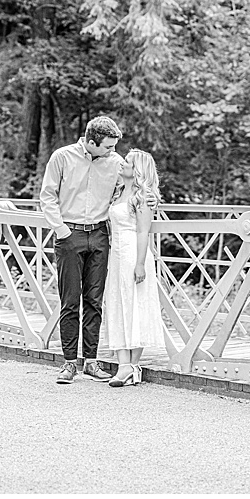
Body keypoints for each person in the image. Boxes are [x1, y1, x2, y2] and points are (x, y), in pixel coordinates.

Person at [39, 116, 126, 384]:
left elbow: (126, 192)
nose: (113, 151)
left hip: (99, 235)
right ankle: (68, 363)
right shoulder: (62, 157)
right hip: (69, 234)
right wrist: (62, 230)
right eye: (108, 146)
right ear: (90, 142)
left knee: (94, 300)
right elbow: (47, 196)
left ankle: (91, 361)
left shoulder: (116, 163)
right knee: (70, 301)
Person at [100, 149, 168, 386]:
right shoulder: (119, 191)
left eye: (127, 161)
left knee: (135, 305)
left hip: (133, 253)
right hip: (116, 255)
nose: (122, 163)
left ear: (137, 170)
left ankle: (130, 365)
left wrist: (140, 264)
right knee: (118, 303)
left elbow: (142, 231)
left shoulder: (143, 197)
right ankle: (124, 365)